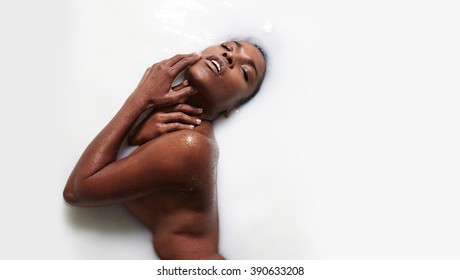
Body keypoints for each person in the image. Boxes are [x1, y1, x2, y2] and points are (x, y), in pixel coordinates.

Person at [64, 39, 267, 260]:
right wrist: (136, 132)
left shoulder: (191, 146)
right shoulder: (167, 126)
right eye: (227, 48)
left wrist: (139, 99)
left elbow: (77, 190)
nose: (229, 57)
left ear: (232, 107)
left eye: (245, 72)